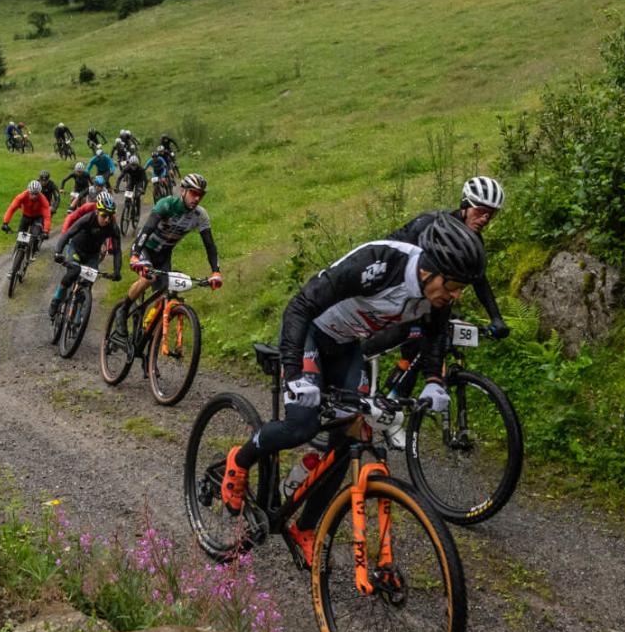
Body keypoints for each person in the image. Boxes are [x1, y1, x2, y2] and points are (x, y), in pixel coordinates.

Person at [215, 214, 486, 566]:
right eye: (452, 286)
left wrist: (434, 379)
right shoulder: (378, 263)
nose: (455, 295)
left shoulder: (437, 294)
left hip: (346, 345)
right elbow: (300, 306)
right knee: (303, 424)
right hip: (311, 332)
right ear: (429, 269)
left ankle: (307, 528)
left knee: (351, 437)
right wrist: (295, 373)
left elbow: (434, 334)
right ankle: (240, 460)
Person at [386, 176, 510, 338]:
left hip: (434, 301)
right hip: (399, 295)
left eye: (490, 215)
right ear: (465, 205)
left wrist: (496, 317)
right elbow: (389, 250)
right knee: (391, 342)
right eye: (480, 211)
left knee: (434, 352)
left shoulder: (473, 240)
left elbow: (479, 279)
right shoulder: (431, 223)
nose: (485, 219)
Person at [123, 172, 222, 309]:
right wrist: (135, 256)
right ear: (183, 191)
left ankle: (150, 328)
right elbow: (147, 229)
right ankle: (123, 310)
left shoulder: (200, 215)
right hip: (144, 248)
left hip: (164, 255)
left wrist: (216, 271)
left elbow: (210, 245)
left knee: (165, 294)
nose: (197, 198)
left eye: (201, 194)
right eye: (193, 193)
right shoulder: (167, 204)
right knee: (148, 278)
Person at [49, 192, 123, 320]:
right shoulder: (88, 218)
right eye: (104, 215)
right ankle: (57, 297)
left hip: (92, 255)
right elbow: (68, 234)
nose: (107, 219)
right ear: (97, 212)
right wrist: (58, 252)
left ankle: (78, 311)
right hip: (76, 249)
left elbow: (117, 251)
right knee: (74, 271)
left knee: (88, 282)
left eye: (110, 216)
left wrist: (117, 271)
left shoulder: (113, 227)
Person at [1, 179, 55, 248]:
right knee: (20, 238)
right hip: (26, 216)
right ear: (29, 191)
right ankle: (20, 248)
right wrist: (5, 223)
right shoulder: (22, 196)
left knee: (36, 235)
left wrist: (46, 231)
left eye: (36, 194)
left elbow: (47, 217)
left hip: (37, 217)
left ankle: (34, 249)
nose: (34, 196)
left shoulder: (43, 200)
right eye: (32, 193)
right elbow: (12, 209)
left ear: (39, 193)